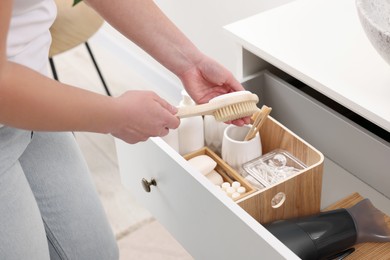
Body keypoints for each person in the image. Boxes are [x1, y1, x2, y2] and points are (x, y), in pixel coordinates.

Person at [0, 0, 249, 259]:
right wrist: (115, 116)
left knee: (96, 252)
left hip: (34, 94)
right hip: (9, 101)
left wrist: (190, 63)